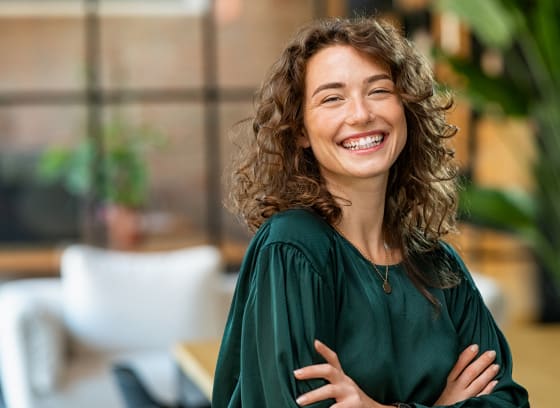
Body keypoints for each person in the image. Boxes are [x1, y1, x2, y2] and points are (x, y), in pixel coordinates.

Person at [212, 16, 530, 408]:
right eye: (332, 97)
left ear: (406, 108)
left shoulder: (438, 265)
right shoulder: (293, 248)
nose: (361, 114)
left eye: (379, 90)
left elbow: (509, 401)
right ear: (299, 130)